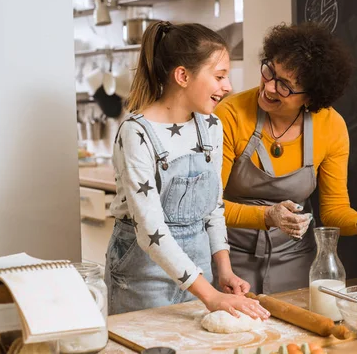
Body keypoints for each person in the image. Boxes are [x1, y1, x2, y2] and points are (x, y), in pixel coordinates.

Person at [105, 21, 269, 321]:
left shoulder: (211, 127)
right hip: (143, 276)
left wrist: (224, 272)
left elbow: (213, 208)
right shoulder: (136, 133)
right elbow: (150, 230)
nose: (228, 86)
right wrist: (210, 296)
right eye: (219, 76)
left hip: (201, 273)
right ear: (182, 75)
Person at [214, 22, 357, 295]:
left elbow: (333, 210)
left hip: (297, 262)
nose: (269, 87)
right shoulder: (230, 114)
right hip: (229, 259)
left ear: (311, 98)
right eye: (269, 71)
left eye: (285, 86)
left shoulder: (331, 126)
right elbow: (208, 206)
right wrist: (268, 215)